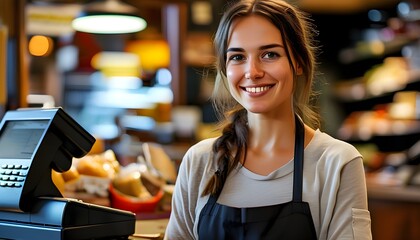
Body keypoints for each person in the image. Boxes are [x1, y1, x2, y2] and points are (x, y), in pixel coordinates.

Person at [165, 0, 372, 239]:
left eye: (269, 54)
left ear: (298, 62)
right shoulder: (199, 162)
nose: (252, 71)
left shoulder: (337, 163)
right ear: (224, 68)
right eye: (237, 57)